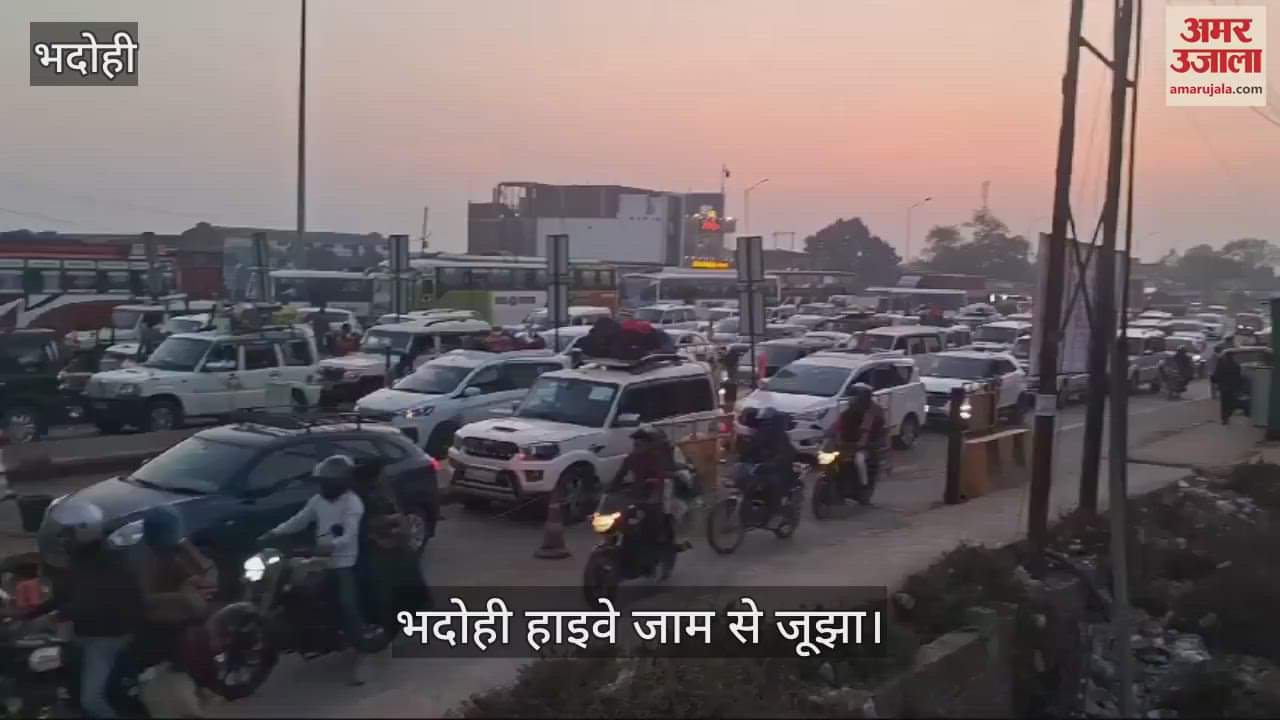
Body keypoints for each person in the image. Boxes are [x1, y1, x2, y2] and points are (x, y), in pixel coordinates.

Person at [258, 455, 368, 684]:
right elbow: (298, 520)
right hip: (319, 558)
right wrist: (273, 533)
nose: (323, 486)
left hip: (343, 562)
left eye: (327, 482)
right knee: (287, 584)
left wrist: (327, 547)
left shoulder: (352, 503)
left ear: (341, 482)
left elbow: (349, 536)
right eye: (322, 482)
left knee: (348, 605)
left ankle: (362, 652)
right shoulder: (318, 500)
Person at [35, 501, 144, 719]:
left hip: (107, 637)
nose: (64, 540)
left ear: (83, 532)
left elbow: (90, 602)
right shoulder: (81, 559)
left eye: (68, 534)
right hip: (88, 632)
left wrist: (56, 616)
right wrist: (27, 613)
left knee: (91, 699)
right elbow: (65, 595)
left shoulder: (107, 562)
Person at [134, 505, 219, 717]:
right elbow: (144, 598)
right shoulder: (143, 557)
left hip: (179, 616)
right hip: (159, 622)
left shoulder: (175, 549)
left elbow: (207, 571)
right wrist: (183, 597)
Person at [352, 461, 431, 635]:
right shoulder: (362, 498)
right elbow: (368, 523)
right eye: (381, 476)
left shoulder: (381, 493)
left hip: (394, 544)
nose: (384, 478)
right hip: (379, 548)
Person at [825, 383, 888, 501]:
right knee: (828, 456)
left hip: (867, 446)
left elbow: (866, 428)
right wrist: (828, 434)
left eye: (857, 396)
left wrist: (862, 442)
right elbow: (838, 425)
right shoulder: (849, 411)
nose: (854, 399)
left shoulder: (874, 411)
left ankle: (863, 485)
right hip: (846, 445)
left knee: (859, 460)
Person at [737, 407, 798, 521]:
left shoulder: (782, 438)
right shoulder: (759, 436)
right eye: (763, 423)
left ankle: (774, 510)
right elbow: (751, 450)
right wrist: (743, 458)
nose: (765, 426)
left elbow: (785, 455)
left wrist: (773, 463)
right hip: (761, 469)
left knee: (772, 483)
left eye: (768, 423)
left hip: (779, 471)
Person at [1211, 350, 1244, 425]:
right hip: (1232, 387)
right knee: (1231, 403)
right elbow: (1239, 378)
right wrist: (1239, 386)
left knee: (1224, 403)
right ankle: (1228, 415)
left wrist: (1214, 381)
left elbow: (1216, 375)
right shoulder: (1236, 366)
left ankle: (1224, 418)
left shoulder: (1222, 365)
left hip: (1224, 387)